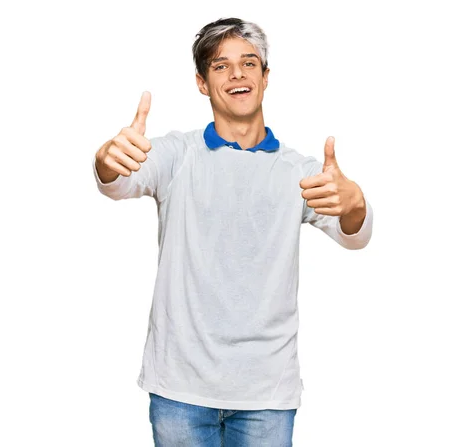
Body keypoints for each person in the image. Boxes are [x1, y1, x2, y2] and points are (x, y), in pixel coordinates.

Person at [93, 17, 373, 447]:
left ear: (265, 77)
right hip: (179, 388)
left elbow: (353, 234)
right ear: (203, 83)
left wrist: (356, 204)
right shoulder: (176, 154)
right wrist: (108, 158)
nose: (237, 73)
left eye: (248, 63)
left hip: (267, 393)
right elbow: (118, 180)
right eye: (221, 66)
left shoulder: (298, 171)